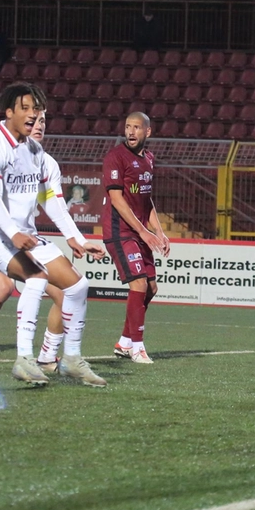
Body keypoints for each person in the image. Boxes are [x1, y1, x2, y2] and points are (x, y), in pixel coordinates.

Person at [0, 83, 108, 386]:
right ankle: (24, 360)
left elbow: (53, 202)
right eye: (26, 109)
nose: (33, 115)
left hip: (23, 236)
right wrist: (14, 232)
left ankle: (70, 359)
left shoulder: (35, 151)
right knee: (37, 278)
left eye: (37, 110)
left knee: (78, 286)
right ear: (9, 112)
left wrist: (76, 238)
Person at [104, 111, 171, 364]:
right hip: (120, 231)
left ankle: (125, 342)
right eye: (128, 126)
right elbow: (117, 199)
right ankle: (138, 348)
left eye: (136, 127)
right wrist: (143, 231)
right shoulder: (115, 157)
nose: (131, 132)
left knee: (151, 288)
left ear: (147, 132)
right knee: (139, 284)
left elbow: (145, 199)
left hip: (140, 232)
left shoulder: (149, 160)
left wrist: (159, 232)